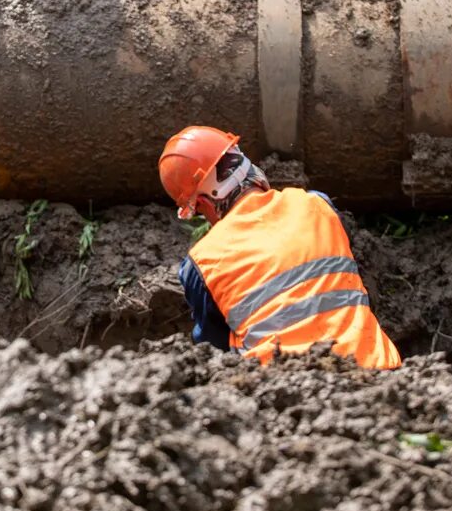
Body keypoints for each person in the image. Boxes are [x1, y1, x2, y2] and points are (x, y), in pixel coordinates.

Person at [158, 126, 401, 370]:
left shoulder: (202, 263)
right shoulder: (317, 205)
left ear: (202, 203)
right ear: (244, 163)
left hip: (286, 393)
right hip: (381, 374)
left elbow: (212, 351)